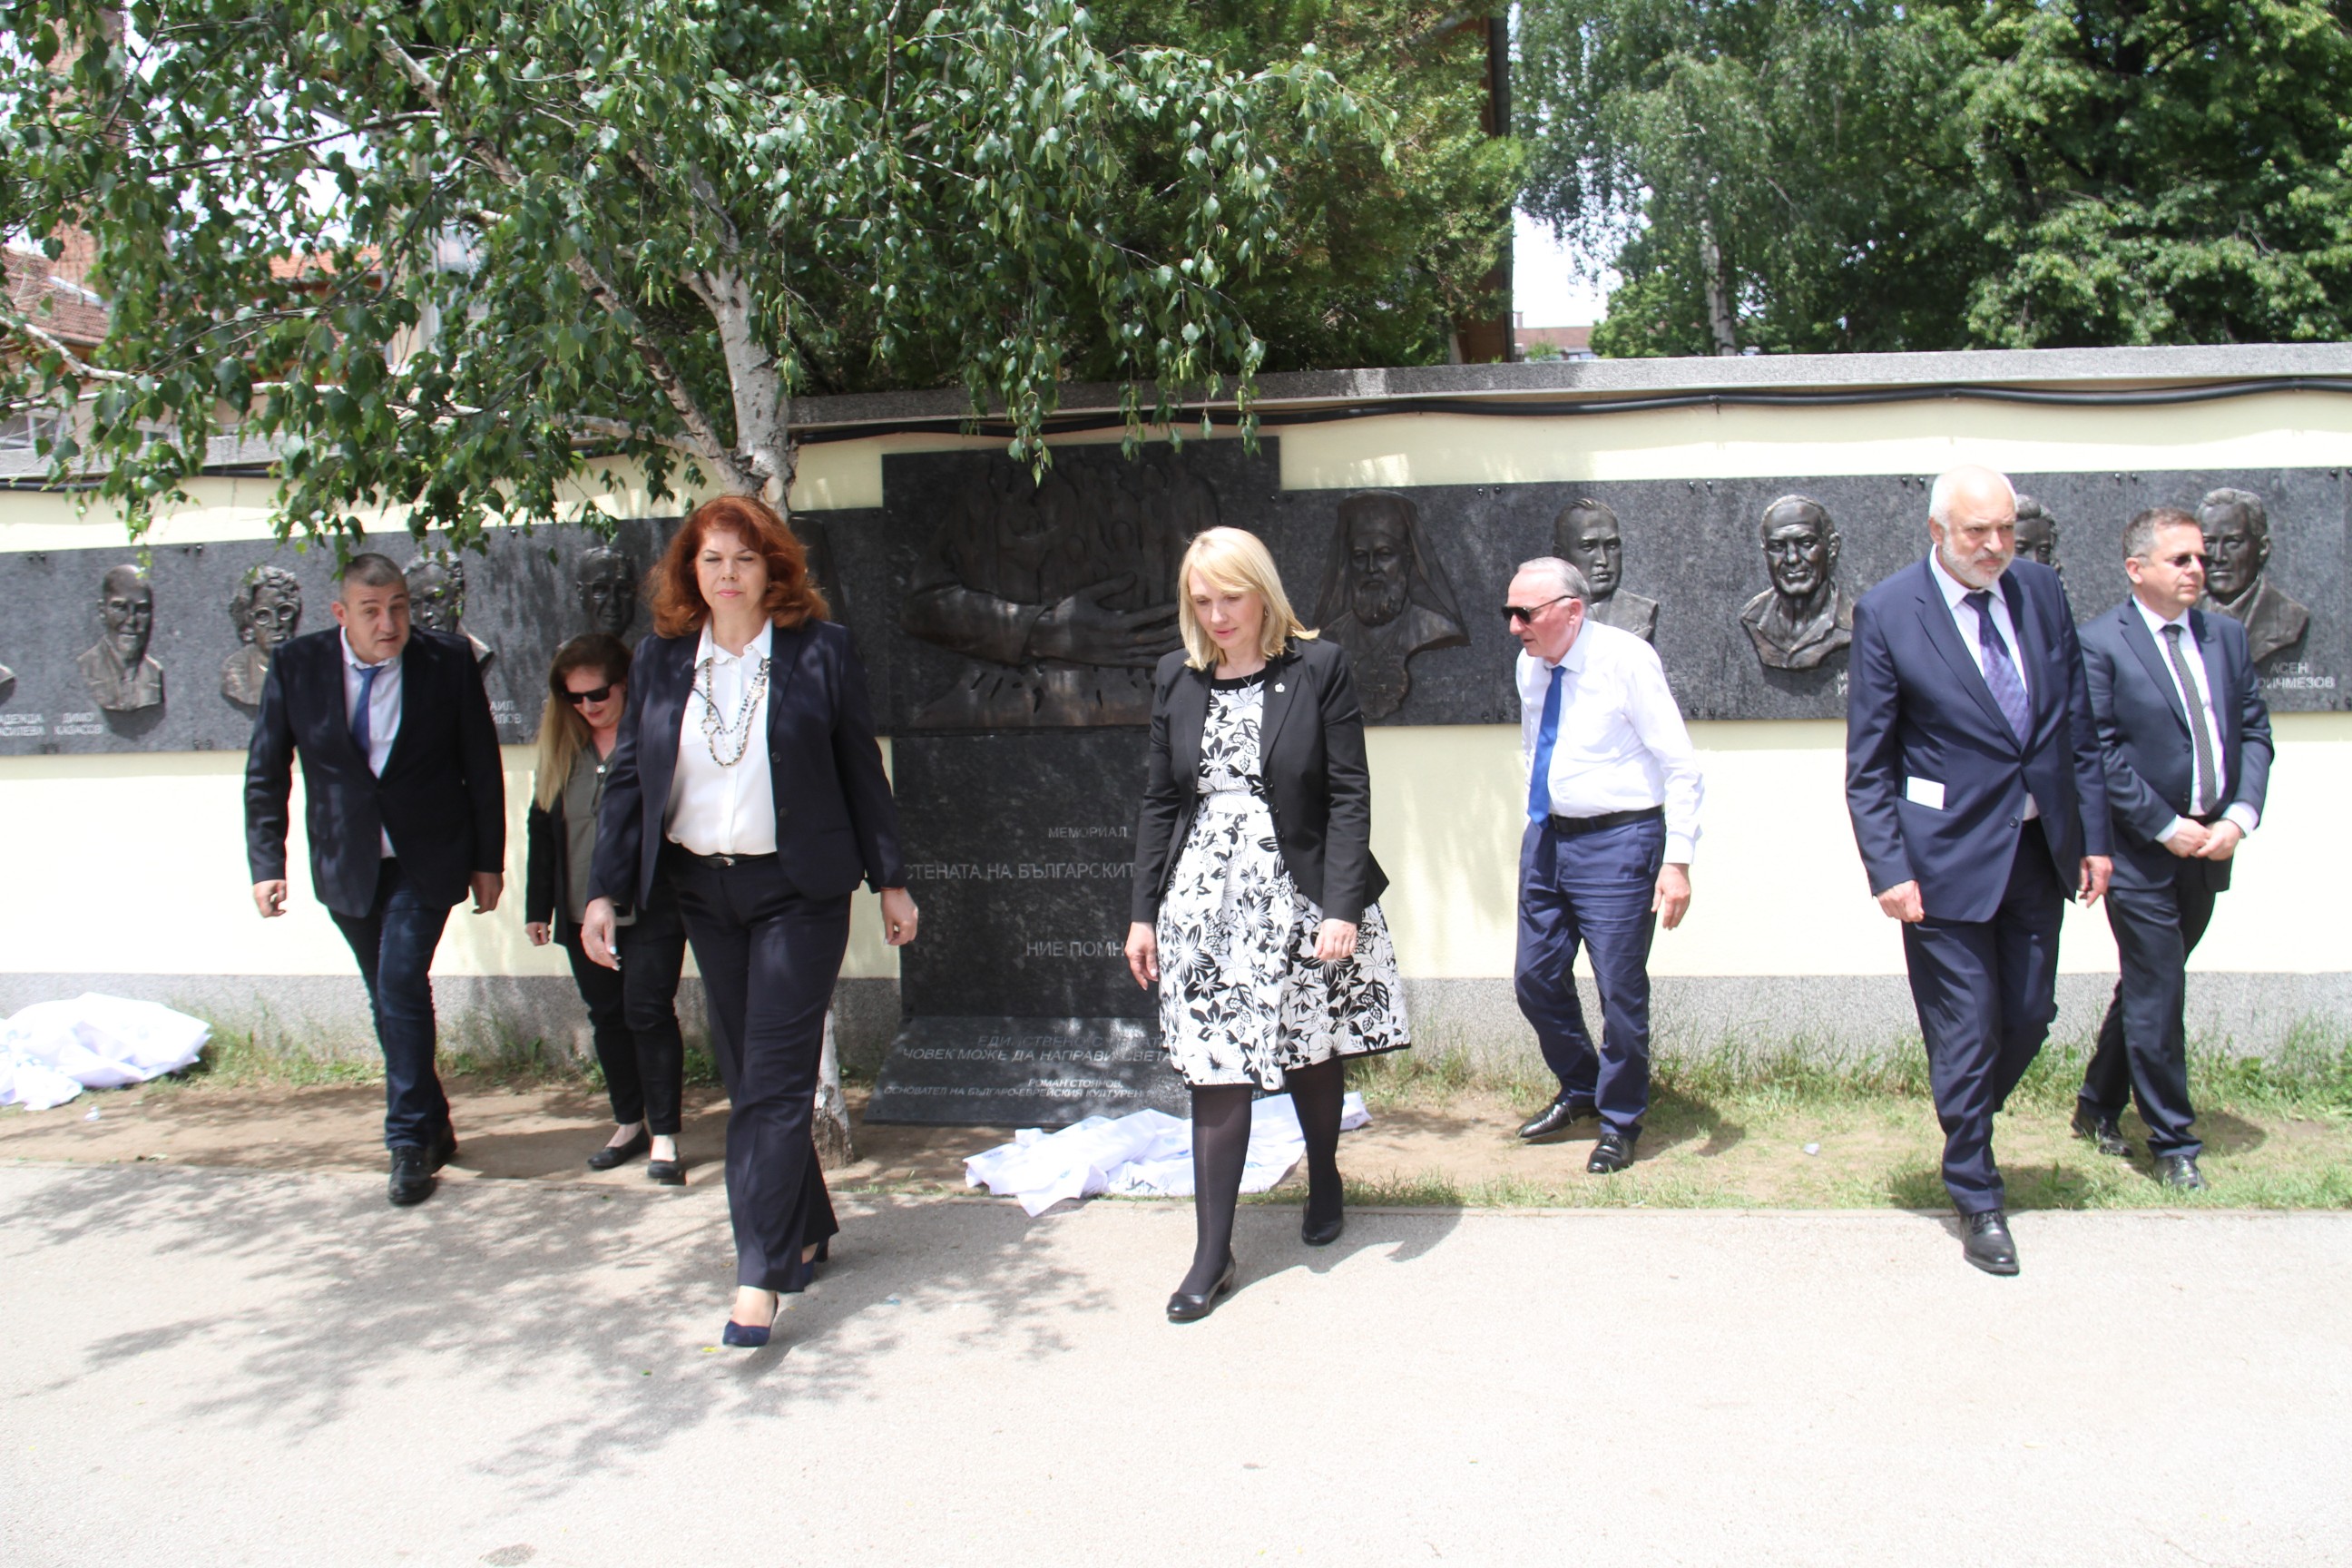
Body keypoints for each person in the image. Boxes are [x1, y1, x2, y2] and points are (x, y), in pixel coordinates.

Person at [582, 495, 916, 1349]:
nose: (727, 574)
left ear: (773, 568)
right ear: (689, 571)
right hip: (703, 892)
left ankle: (758, 1274)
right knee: (749, 1075)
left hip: (798, 893)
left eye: (744, 558)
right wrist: (602, 892)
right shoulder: (661, 659)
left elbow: (860, 769)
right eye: (711, 559)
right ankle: (806, 1224)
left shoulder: (820, 651)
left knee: (770, 1082)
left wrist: (892, 881)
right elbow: (630, 782)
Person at [1125, 526, 1410, 1324]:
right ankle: (1212, 1254)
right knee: (1214, 1064)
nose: (1217, 615)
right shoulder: (1176, 679)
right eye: (1201, 600)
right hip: (1201, 903)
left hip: (1298, 889)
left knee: (1309, 1046)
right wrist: (1142, 913)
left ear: (1263, 593)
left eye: (1231, 597)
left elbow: (1348, 792)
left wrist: (1341, 907)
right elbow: (1160, 801)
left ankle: (1324, 1174)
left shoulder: (1318, 668)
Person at [1846, 465, 2112, 1276]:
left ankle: (1964, 1120)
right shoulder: (1890, 611)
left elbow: (2076, 725)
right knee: (1965, 1028)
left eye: (2006, 530)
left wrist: (2093, 837)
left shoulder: (2040, 592)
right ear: (1938, 532)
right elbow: (1870, 762)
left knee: (2029, 1013)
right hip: (1942, 860)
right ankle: (1977, 1192)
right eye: (1978, 532)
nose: (1997, 546)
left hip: (2036, 850)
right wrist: (1888, 868)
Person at [245, 552, 506, 1206]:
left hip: (428, 858)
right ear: (342, 614)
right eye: (371, 611)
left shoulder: (446, 661)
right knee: (386, 993)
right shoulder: (297, 665)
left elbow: (481, 764)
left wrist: (488, 861)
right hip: (347, 861)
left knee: (399, 982)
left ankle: (408, 1141)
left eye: (398, 608)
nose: (389, 624)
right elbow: (267, 769)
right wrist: (266, 863)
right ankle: (434, 1120)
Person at [2074, 507, 2272, 1190]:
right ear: (2136, 569)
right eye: (2180, 559)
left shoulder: (2226, 638)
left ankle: (2096, 1105)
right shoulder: (2101, 643)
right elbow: (2097, 751)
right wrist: (2163, 824)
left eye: (2201, 558)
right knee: (2161, 988)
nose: (2198, 569)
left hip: (2211, 846)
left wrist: (2238, 817)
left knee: (2150, 982)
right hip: (2139, 852)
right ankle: (2173, 1143)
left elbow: (2254, 732)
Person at [1505, 558, 1704, 1172]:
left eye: (1525, 613)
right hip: (1548, 837)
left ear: (1572, 610)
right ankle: (1582, 1086)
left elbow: (1681, 766)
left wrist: (1678, 860)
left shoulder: (1626, 660)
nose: (1513, 627)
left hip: (1619, 841)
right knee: (1535, 978)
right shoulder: (1531, 665)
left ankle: (1620, 1121)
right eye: (1509, 613)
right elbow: (1538, 744)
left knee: (1619, 989)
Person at [524, 632, 691, 1182]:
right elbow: (542, 830)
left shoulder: (653, 741)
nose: (587, 706)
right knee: (607, 1018)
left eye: (597, 694)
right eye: (573, 698)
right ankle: (627, 1123)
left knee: (648, 1012)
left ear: (625, 684)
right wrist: (537, 908)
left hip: (650, 906)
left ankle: (664, 1134)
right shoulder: (562, 751)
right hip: (579, 911)